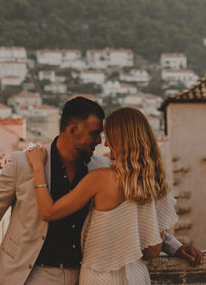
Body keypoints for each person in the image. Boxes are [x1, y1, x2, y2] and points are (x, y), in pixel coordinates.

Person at [0, 97, 203, 284]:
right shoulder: (23, 162)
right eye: (95, 133)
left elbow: (135, 215)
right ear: (72, 130)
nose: (101, 141)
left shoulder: (102, 169)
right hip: (30, 274)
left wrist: (176, 247)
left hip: (81, 275)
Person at [25, 107, 178, 284]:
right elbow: (152, 251)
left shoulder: (100, 179)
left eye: (109, 137)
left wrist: (37, 166)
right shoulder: (156, 185)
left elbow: (48, 212)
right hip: (136, 277)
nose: (105, 144)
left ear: (121, 140)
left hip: (98, 277)